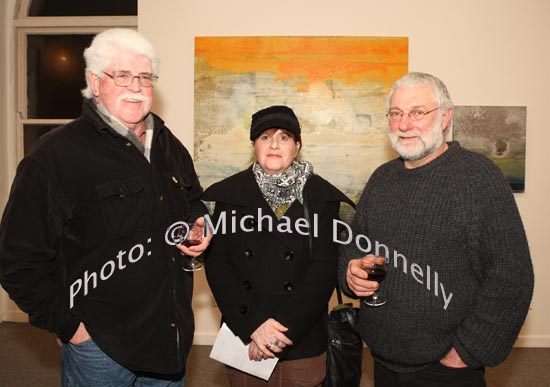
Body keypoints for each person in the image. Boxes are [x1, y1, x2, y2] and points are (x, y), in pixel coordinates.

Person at [0, 28, 211, 386]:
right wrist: (72, 329)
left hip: (169, 341)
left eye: (145, 77)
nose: (136, 86)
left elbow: (193, 199)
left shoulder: (167, 143)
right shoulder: (54, 157)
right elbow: (17, 262)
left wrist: (200, 224)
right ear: (95, 82)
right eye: (122, 75)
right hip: (101, 349)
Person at [338, 72, 534, 386]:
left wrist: (467, 352)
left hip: (447, 368)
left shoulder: (479, 179)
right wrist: (349, 273)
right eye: (396, 114)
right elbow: (354, 246)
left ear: (445, 118)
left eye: (417, 113)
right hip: (382, 360)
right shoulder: (380, 179)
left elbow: (512, 275)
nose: (404, 124)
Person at [202, 105, 354, 386]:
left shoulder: (321, 197)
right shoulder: (229, 195)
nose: (274, 144)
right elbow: (218, 265)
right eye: (265, 137)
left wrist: (278, 333)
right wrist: (254, 327)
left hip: (301, 339)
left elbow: (323, 270)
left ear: (297, 146)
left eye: (284, 137)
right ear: (253, 145)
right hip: (244, 337)